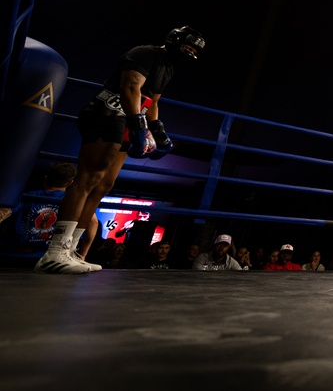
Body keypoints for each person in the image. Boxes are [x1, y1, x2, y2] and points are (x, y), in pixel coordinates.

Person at [34, 26, 206, 274]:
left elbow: (153, 101)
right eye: (187, 47)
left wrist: (156, 129)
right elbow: (130, 88)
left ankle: (70, 249)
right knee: (89, 177)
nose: (188, 53)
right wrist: (139, 124)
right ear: (174, 40)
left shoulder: (168, 68)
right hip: (108, 113)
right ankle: (54, 251)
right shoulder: (145, 53)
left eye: (193, 51)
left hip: (129, 118)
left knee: (105, 184)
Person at [9, 163, 101, 264]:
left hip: (22, 255)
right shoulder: (74, 201)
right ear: (70, 183)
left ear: (46, 178)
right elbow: (93, 222)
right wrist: (82, 255)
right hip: (57, 258)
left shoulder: (26, 196)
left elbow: (4, 212)